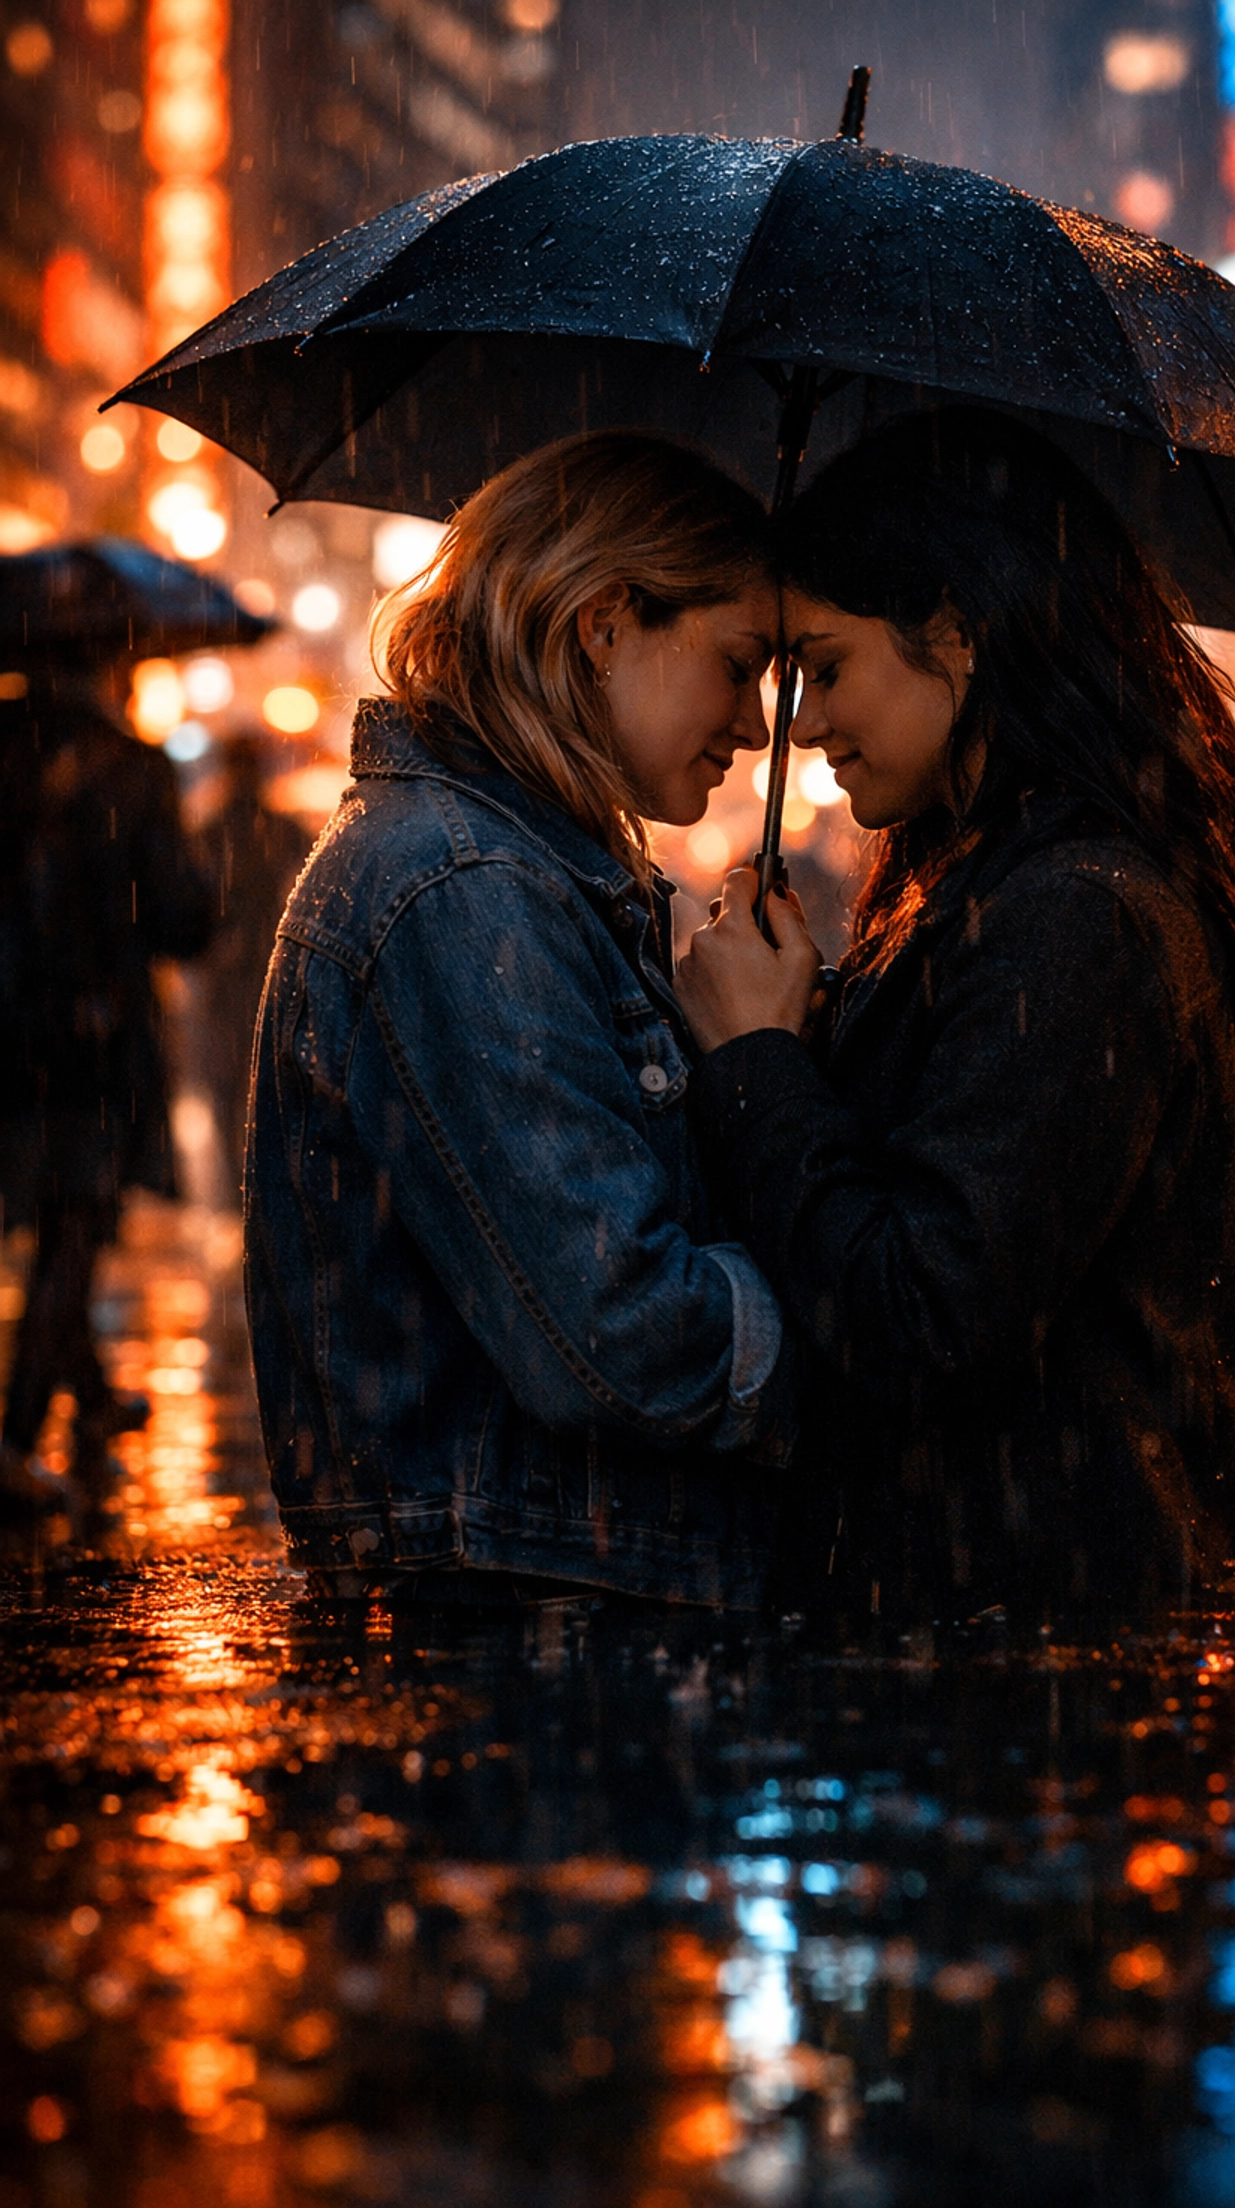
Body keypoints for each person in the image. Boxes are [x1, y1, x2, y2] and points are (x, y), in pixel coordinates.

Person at [676, 410, 1235, 1620]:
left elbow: (922, 1318)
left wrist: (763, 1060)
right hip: (1000, 1632)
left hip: (1054, 1659)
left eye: (825, 666)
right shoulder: (985, 893)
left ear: (957, 638)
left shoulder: (1078, 919)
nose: (801, 724)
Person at [245, 432, 793, 1608]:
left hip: (561, 1619)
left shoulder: (541, 878)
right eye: (737, 664)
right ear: (603, 623)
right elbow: (621, 1333)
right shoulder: (462, 892)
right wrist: (855, 1323)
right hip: (525, 1647)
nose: (754, 726)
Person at [0, 652, 214, 1510]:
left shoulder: (7, 752)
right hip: (91, 1037)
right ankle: (14, 1441)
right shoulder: (128, 765)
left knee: (48, 1214)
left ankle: (86, 1395)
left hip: (7, 1031)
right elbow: (182, 919)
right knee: (75, 1221)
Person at [192, 735, 312, 1203]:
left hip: (230, 977)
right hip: (268, 972)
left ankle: (246, 1190)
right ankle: (268, 1189)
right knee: (270, 1086)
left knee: (232, 1087)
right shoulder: (281, 830)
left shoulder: (211, 832)